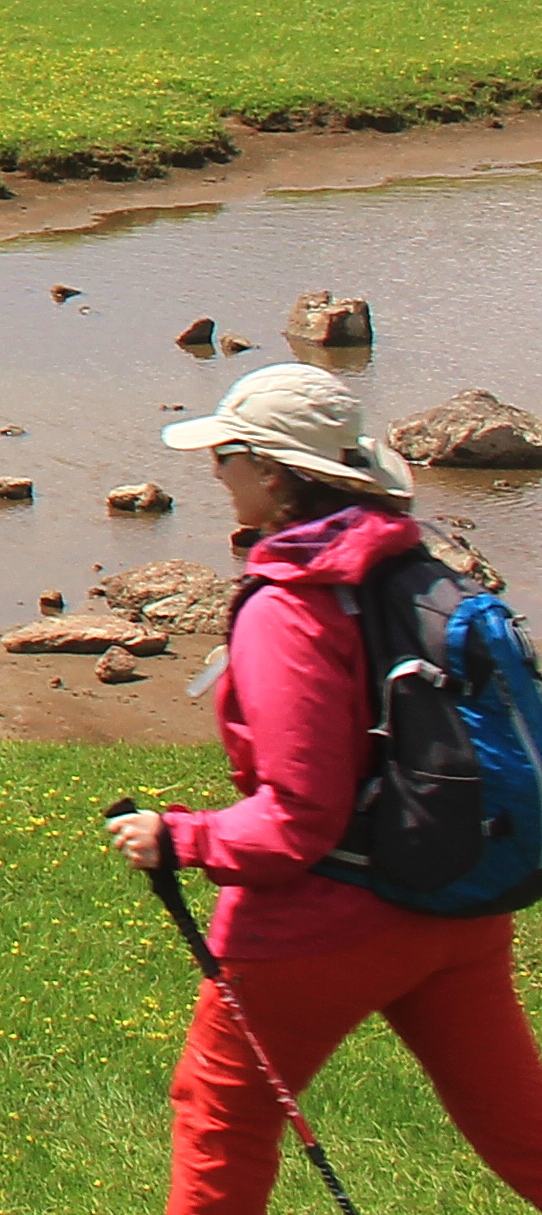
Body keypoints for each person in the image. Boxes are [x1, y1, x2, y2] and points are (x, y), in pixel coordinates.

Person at [107, 362, 542, 1214]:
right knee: (523, 1131)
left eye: (226, 452)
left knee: (221, 1118)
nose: (214, 470)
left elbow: (295, 824)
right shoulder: (419, 566)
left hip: (325, 925)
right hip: (458, 902)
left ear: (270, 472)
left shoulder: (288, 607)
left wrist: (180, 836)